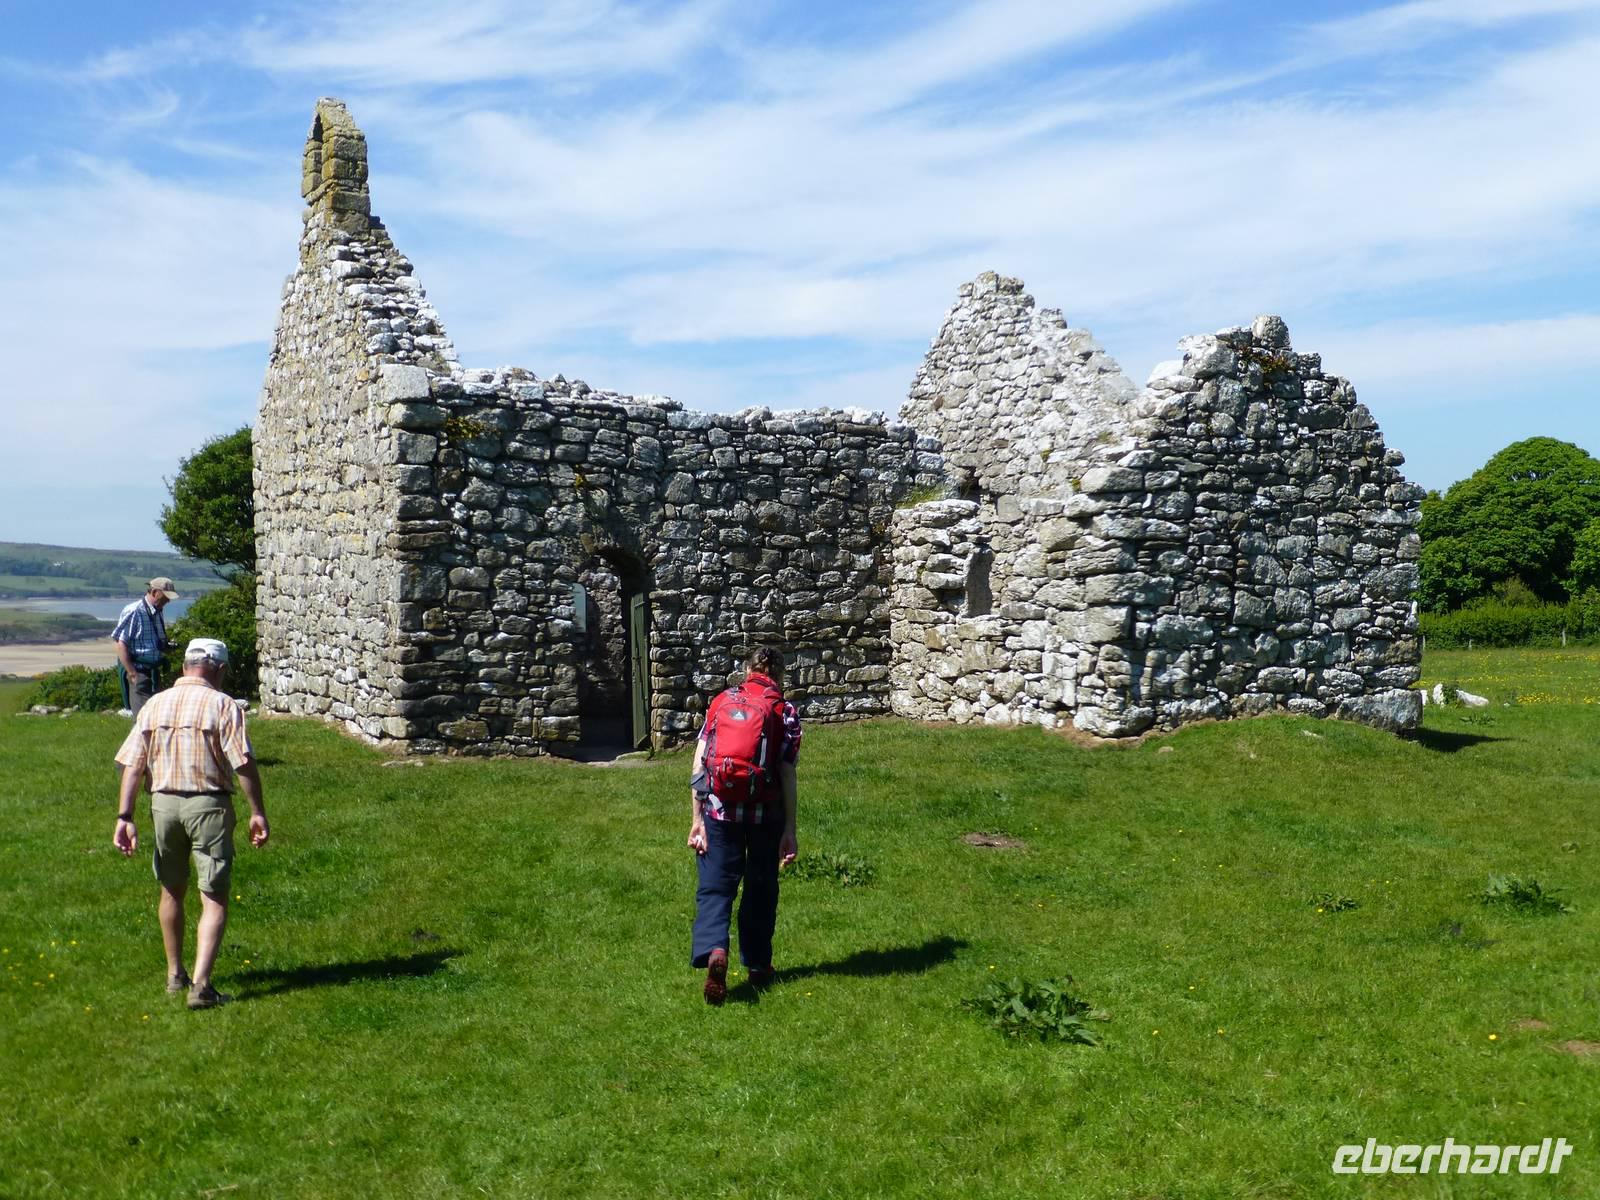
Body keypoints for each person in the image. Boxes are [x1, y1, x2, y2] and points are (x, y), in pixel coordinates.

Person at [112, 637, 269, 1010]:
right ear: (219, 669)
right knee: (213, 895)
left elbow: (133, 764)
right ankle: (201, 986)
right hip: (209, 804)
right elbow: (242, 762)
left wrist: (125, 816)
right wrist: (257, 811)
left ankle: (174, 974)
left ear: (185, 666)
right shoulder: (223, 705)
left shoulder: (155, 704)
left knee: (171, 890)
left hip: (163, 804)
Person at [687, 646, 800, 1004]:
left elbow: (700, 763)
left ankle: (716, 950)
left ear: (747, 670)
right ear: (779, 675)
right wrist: (790, 829)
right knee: (760, 888)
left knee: (715, 887)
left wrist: (697, 820)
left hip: (720, 811)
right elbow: (787, 773)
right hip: (766, 815)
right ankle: (758, 965)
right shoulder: (784, 711)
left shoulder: (722, 701)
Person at [111, 577, 179, 717]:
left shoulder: (157, 611)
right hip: (139, 672)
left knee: (155, 718)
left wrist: (166, 647)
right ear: (154, 592)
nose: (168, 601)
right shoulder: (134, 611)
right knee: (143, 718)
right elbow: (120, 644)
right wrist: (132, 673)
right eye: (165, 597)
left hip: (153, 672)